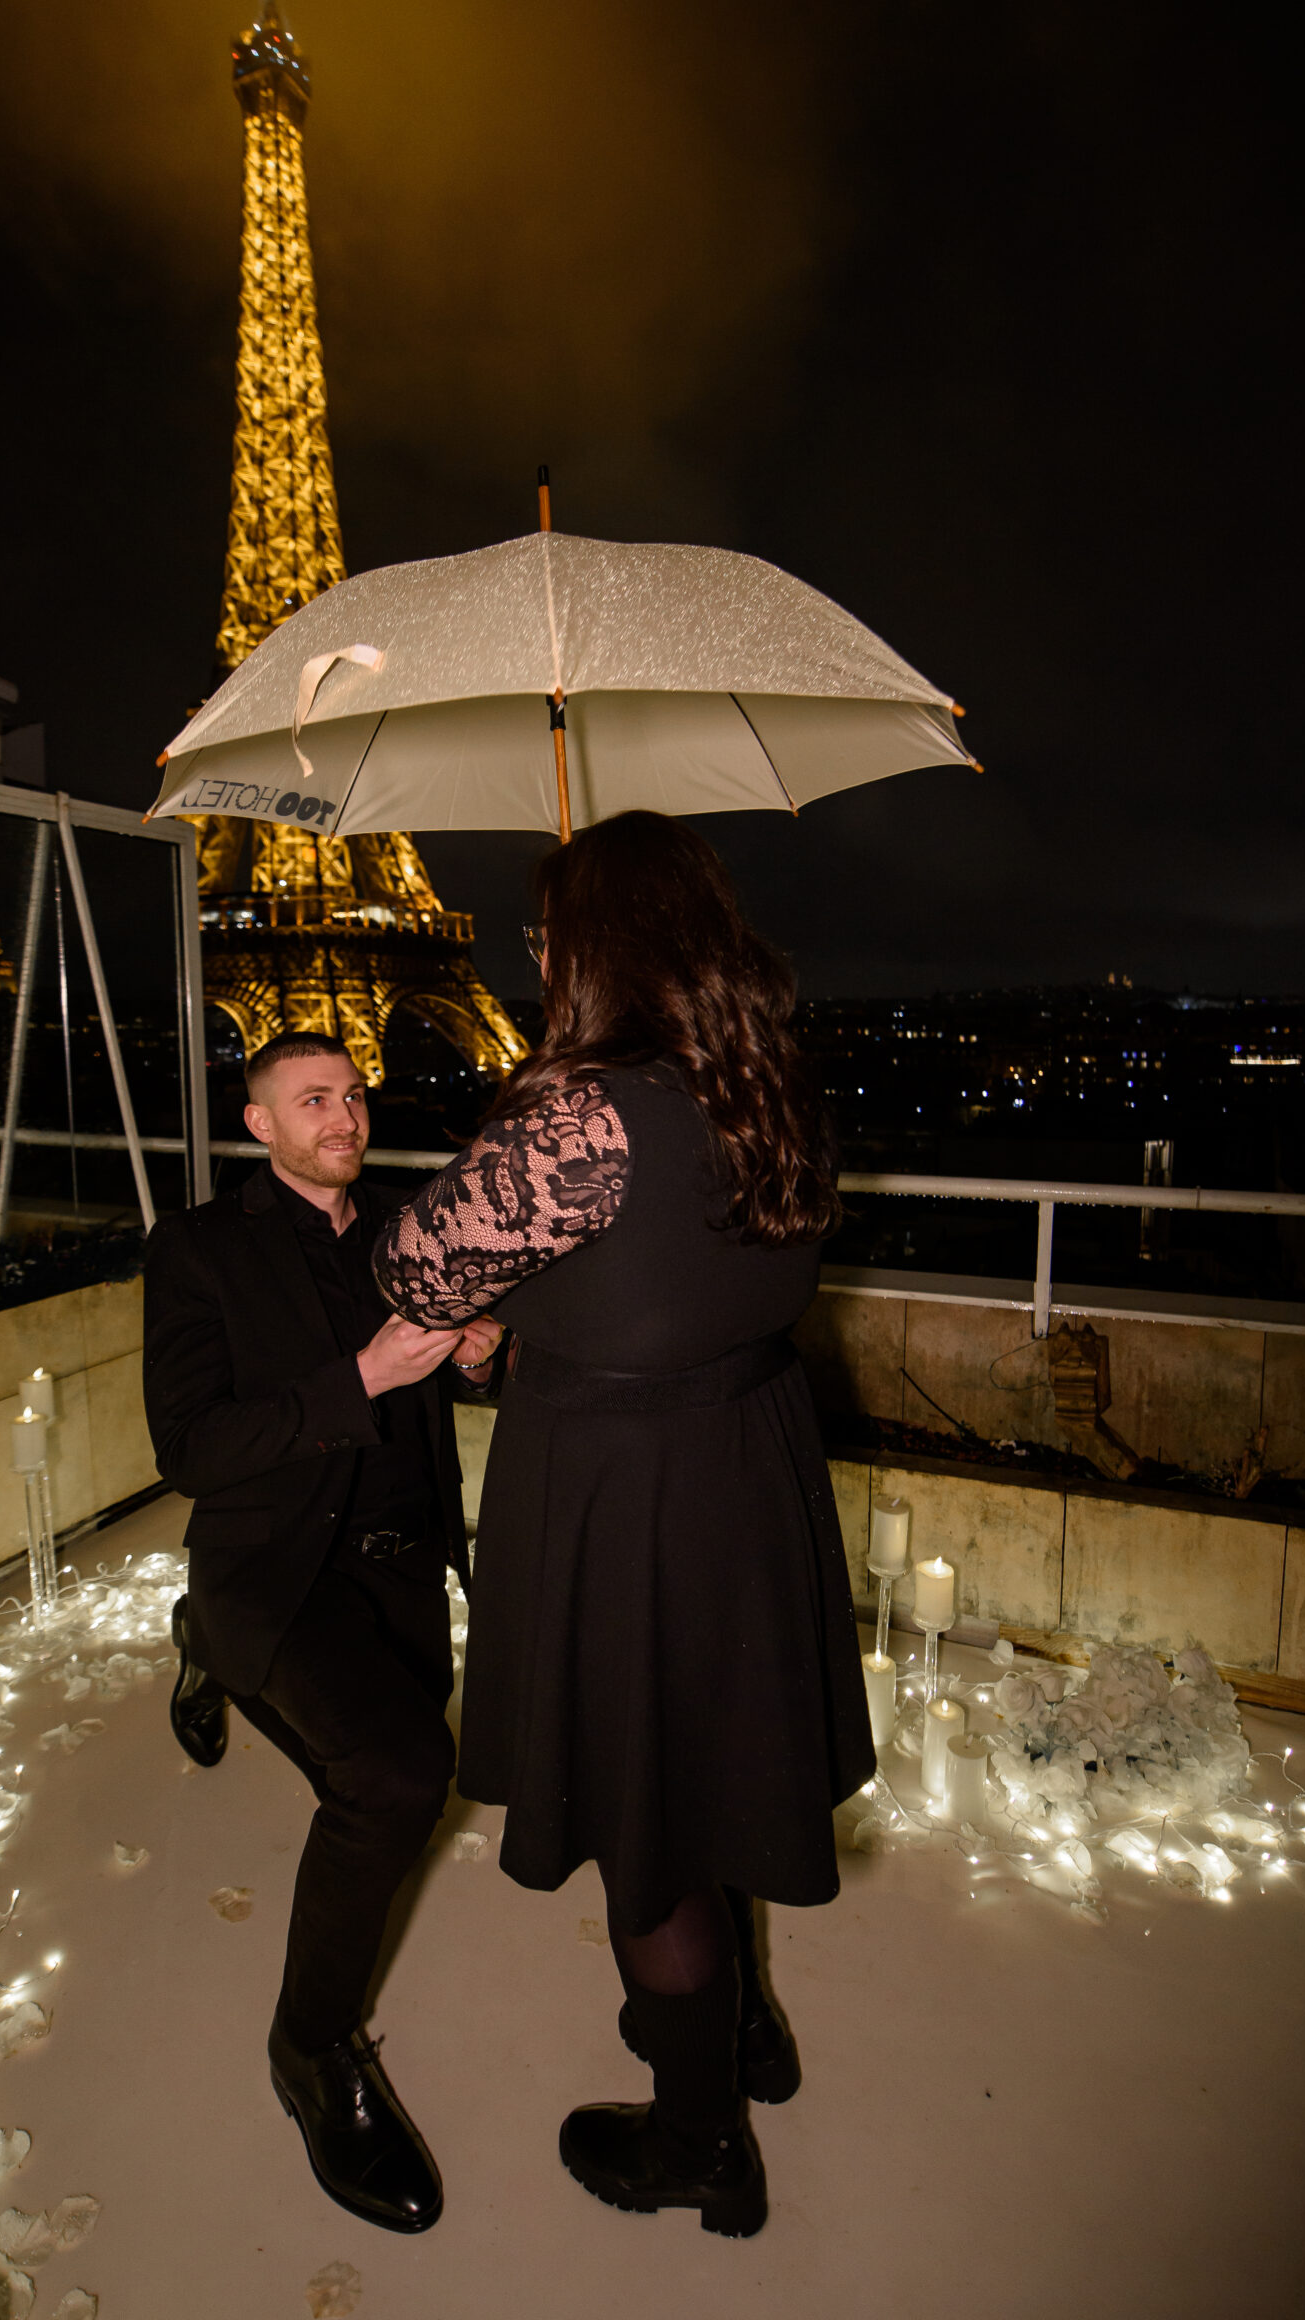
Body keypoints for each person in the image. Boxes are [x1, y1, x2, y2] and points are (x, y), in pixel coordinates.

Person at [373, 810, 872, 2241]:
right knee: (706, 1762)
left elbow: (416, 1267)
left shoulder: (579, 1120)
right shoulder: (765, 1081)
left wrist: (510, 1130)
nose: (535, 956)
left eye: (549, 935)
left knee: (642, 1817)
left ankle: (701, 2141)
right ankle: (743, 2029)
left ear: (601, 947)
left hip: (623, 1488)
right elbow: (664, 1269)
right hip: (744, 1460)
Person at [142, 1032, 502, 2235]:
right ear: (259, 1125)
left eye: (351, 1095)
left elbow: (455, 1379)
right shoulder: (198, 1247)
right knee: (397, 1775)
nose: (343, 1116)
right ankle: (310, 2048)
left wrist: (477, 1357)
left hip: (401, 1566)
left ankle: (202, 1643)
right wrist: (363, 1374)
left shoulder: (410, 1227)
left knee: (380, 1768)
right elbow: (191, 1448)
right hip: (279, 1570)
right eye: (312, 1099)